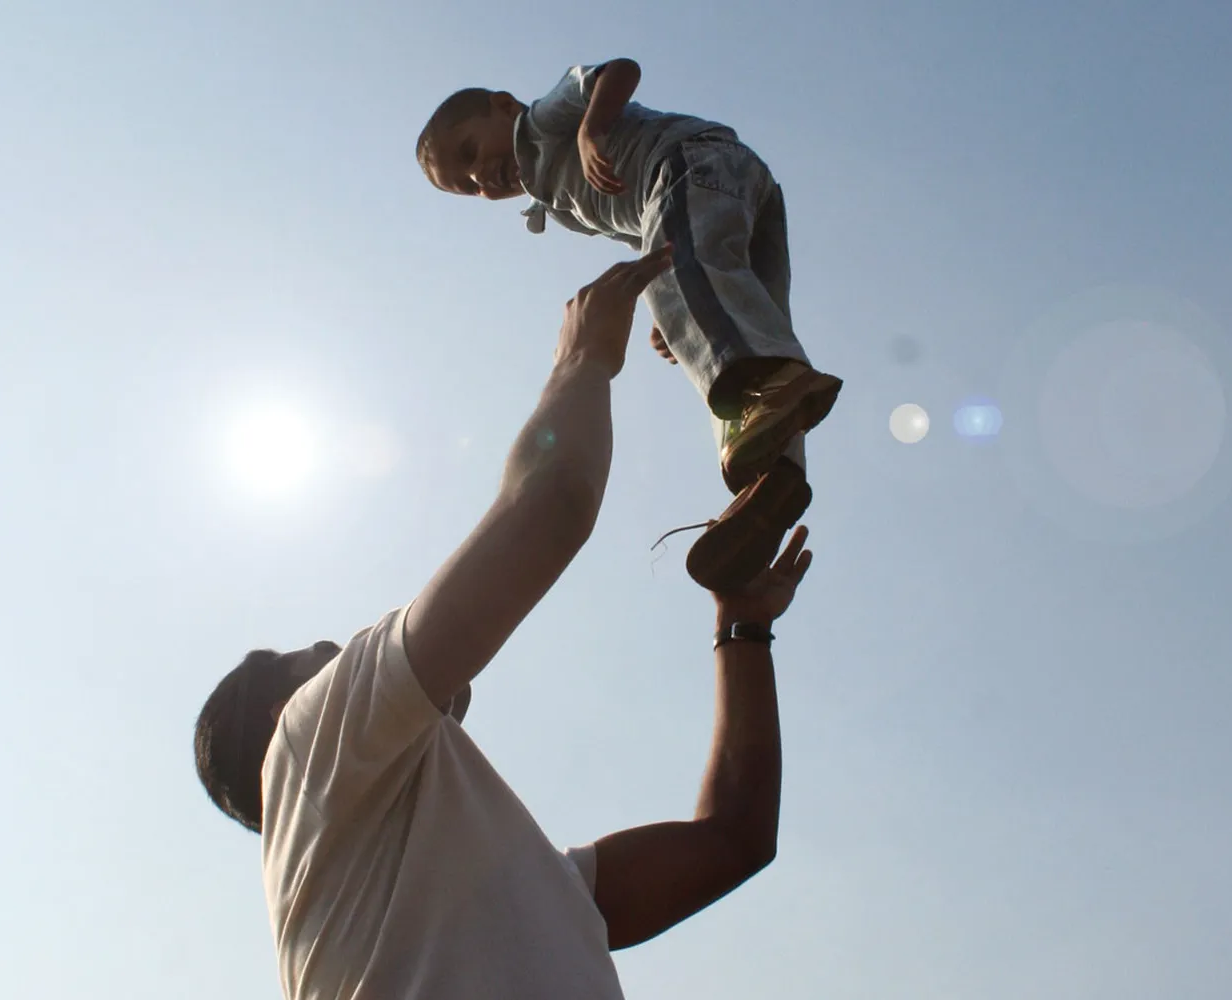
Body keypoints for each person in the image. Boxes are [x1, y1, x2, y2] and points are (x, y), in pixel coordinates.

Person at [192, 250, 815, 1000]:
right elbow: (549, 505)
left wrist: (741, 628)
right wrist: (582, 359)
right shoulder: (305, 741)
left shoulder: (528, 883)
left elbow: (733, 841)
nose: (346, 650)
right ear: (282, 711)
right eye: (324, 657)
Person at [415, 57, 843, 593]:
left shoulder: (546, 123)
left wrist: (591, 129)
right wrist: (676, 310)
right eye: (467, 188)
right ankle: (772, 477)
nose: (481, 179)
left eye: (470, 154)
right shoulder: (558, 201)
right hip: (737, 191)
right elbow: (650, 236)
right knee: (755, 318)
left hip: (692, 162)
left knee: (708, 315)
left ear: (503, 107)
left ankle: (772, 391)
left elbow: (618, 70)